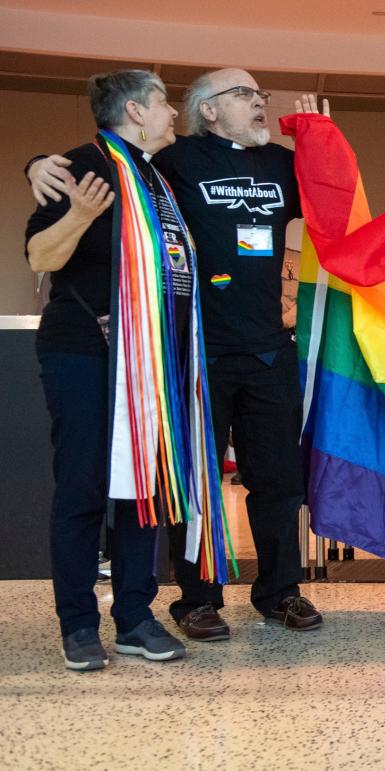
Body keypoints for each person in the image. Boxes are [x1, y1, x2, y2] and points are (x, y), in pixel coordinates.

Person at [29, 69, 325, 641]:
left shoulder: (270, 165)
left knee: (277, 480)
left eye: (261, 94)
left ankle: (279, 592)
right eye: (245, 94)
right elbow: (98, 163)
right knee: (190, 482)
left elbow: (338, 200)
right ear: (208, 110)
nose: (260, 102)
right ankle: (193, 600)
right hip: (189, 357)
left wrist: (326, 143)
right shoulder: (172, 162)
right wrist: (38, 162)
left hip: (266, 349)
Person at [25, 69, 191, 669]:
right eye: (163, 103)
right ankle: (77, 625)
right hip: (83, 352)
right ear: (134, 111)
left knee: (140, 491)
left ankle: (136, 619)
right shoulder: (77, 168)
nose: (173, 112)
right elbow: (41, 256)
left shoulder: (158, 177)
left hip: (147, 361)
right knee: (84, 488)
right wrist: (78, 214)